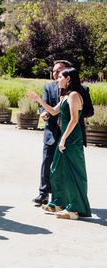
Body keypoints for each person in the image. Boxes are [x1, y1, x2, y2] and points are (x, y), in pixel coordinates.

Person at [27, 68, 91, 219]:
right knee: (55, 170)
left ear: (68, 79)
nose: (57, 79)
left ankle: (74, 210)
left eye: (60, 77)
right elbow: (54, 112)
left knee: (72, 173)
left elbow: (74, 119)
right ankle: (58, 203)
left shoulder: (74, 95)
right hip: (65, 137)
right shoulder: (65, 96)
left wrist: (63, 139)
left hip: (72, 139)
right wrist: (39, 100)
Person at [31, 60, 70, 206]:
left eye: (59, 70)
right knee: (46, 163)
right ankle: (43, 194)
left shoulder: (78, 89)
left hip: (69, 133)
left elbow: (88, 111)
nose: (56, 73)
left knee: (66, 166)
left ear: (68, 71)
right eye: (54, 71)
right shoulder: (48, 87)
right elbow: (44, 105)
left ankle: (64, 196)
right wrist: (43, 113)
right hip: (51, 132)